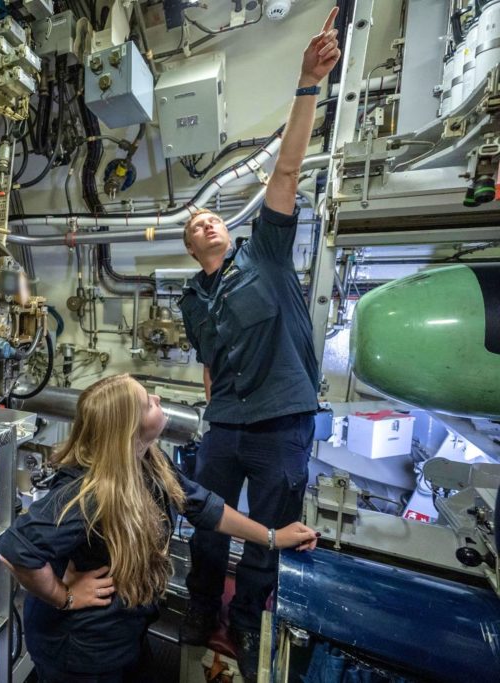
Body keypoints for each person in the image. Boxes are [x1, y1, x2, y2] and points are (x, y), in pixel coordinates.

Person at [176, 7, 342, 678]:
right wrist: (213, 409)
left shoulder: (265, 254)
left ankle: (246, 619)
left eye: (211, 217)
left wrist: (307, 84)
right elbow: (210, 362)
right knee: (210, 519)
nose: (206, 223)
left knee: (270, 533)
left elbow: (286, 172)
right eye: (194, 225)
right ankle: (200, 607)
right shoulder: (192, 298)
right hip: (225, 423)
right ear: (191, 248)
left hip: (281, 423)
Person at [0, 374, 318, 683]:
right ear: (129, 430)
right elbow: (15, 551)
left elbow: (204, 506)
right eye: (147, 403)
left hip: (127, 630)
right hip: (82, 649)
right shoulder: (90, 492)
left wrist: (272, 537)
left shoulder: (150, 461)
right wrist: (64, 596)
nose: (158, 398)